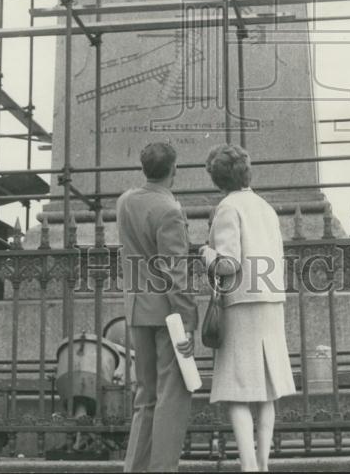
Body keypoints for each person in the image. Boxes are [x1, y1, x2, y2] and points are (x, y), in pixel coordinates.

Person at [200, 144, 295, 473]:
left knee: (237, 389)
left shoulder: (228, 207)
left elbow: (228, 264)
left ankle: (248, 465)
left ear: (217, 179)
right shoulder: (265, 207)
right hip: (271, 300)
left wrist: (207, 255)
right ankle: (263, 464)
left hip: (242, 303)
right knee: (267, 389)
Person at [116, 140, 198, 473]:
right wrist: (189, 319)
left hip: (137, 309)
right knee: (172, 398)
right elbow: (175, 271)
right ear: (173, 170)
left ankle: (134, 468)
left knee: (145, 397)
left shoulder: (124, 201)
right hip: (167, 314)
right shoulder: (170, 211)